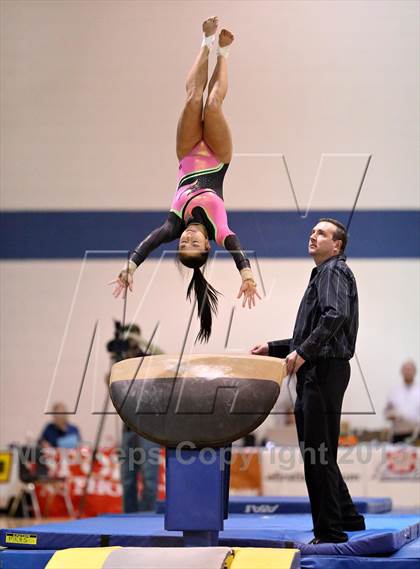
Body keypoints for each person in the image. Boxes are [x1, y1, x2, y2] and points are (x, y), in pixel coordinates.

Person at [111, 17, 260, 342]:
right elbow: (236, 247)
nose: (187, 238)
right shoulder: (219, 228)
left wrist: (130, 268)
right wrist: (246, 274)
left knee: (194, 100)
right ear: (207, 245)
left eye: (183, 243)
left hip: (188, 152)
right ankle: (222, 53)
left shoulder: (173, 224)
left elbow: (149, 242)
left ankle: (206, 43)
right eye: (194, 243)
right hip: (218, 157)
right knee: (213, 104)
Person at [251, 218, 365, 544]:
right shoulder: (325, 274)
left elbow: (334, 316)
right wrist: (274, 348)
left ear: (337, 245)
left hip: (323, 371)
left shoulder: (333, 271)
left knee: (316, 454)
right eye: (313, 231)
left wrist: (302, 353)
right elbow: (311, 333)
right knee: (321, 453)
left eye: (322, 233)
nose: (313, 236)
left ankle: (329, 531)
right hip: (323, 369)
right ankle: (348, 517)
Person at [108, 323, 161, 512]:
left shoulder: (149, 359)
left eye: (132, 339)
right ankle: (128, 516)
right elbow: (110, 384)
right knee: (127, 478)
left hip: (149, 429)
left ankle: (148, 516)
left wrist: (139, 341)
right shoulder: (121, 363)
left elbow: (164, 355)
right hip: (128, 428)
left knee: (149, 477)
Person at [385, 360, 419, 443]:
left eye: (410, 370)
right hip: (398, 434)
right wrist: (390, 415)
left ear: (414, 372)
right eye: (405, 369)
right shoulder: (394, 391)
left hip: (416, 433)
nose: (407, 372)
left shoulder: (419, 390)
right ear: (401, 371)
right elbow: (387, 411)